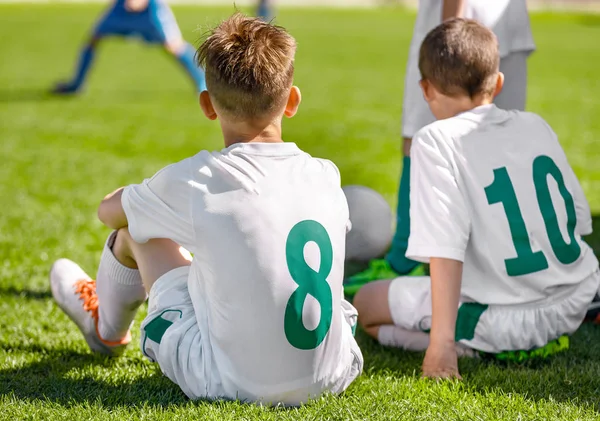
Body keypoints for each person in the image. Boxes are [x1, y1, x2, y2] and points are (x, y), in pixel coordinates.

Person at [50, 13, 362, 405]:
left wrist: (136, 198)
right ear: (293, 100)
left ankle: (106, 331)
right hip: (333, 374)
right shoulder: (325, 174)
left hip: (227, 382)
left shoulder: (199, 179)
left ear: (207, 105)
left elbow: (108, 213)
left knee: (135, 230)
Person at [352, 18, 599, 379]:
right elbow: (577, 218)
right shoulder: (535, 124)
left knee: (367, 303)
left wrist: (440, 345)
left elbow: (445, 250)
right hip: (578, 294)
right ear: (498, 84)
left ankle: (472, 347)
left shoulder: (434, 140)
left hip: (506, 318)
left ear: (425, 89)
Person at [344, 0, 536, 294]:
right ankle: (500, 263)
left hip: (458, 27)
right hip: (507, 21)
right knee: (501, 144)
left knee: (419, 139)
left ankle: (405, 261)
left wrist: (449, 29)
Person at [52, 0, 205, 94]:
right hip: (121, 8)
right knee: (94, 39)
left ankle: (202, 84)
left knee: (173, 46)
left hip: (150, 10)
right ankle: (76, 85)